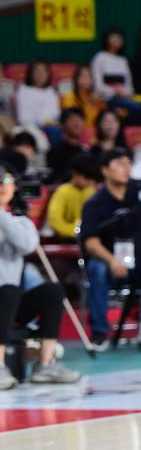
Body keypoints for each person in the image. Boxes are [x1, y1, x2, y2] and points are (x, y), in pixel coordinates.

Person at [80, 148, 141, 350]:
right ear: (105, 170)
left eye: (128, 163)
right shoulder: (94, 203)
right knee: (97, 269)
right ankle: (99, 334)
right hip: (111, 262)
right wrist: (111, 260)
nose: (126, 168)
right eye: (119, 164)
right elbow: (90, 242)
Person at [0, 164, 80, 388]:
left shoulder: (20, 221)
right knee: (8, 291)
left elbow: (27, 245)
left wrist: (1, 213)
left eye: (6, 181)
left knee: (52, 290)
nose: (2, 186)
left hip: (11, 301)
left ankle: (45, 365)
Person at [47, 153, 98, 240]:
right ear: (74, 172)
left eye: (92, 179)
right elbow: (55, 221)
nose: (90, 182)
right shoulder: (62, 192)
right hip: (67, 239)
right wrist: (76, 232)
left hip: (88, 237)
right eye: (86, 178)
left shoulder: (92, 191)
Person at [46, 107, 87, 184]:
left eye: (80, 120)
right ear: (62, 125)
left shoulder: (85, 153)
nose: (77, 124)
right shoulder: (54, 153)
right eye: (72, 120)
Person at [15, 61, 60, 128]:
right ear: (30, 73)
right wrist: (44, 123)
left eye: (44, 71)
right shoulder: (23, 90)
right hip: (29, 128)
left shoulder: (51, 91)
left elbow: (56, 114)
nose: (41, 74)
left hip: (51, 126)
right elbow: (23, 118)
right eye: (37, 71)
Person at [61, 65, 105, 129]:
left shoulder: (96, 96)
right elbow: (73, 121)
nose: (86, 79)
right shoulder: (69, 97)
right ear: (76, 79)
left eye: (89, 76)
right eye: (83, 76)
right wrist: (91, 105)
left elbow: (104, 117)